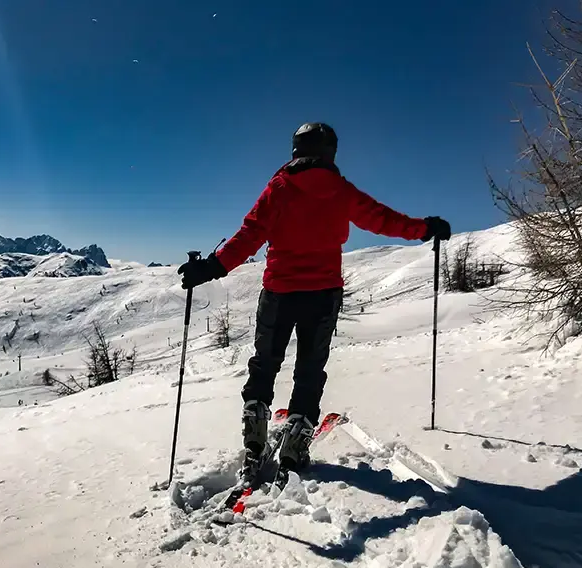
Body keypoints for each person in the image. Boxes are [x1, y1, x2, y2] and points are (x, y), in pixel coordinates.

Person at [178, 122, 451, 486]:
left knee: (265, 363)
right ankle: (295, 444)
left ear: (295, 150)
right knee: (310, 369)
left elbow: (250, 235)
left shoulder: (279, 188)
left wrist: (212, 267)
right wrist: (424, 228)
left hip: (279, 292)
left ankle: (255, 435)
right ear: (330, 153)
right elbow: (384, 219)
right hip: (323, 294)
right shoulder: (341, 191)